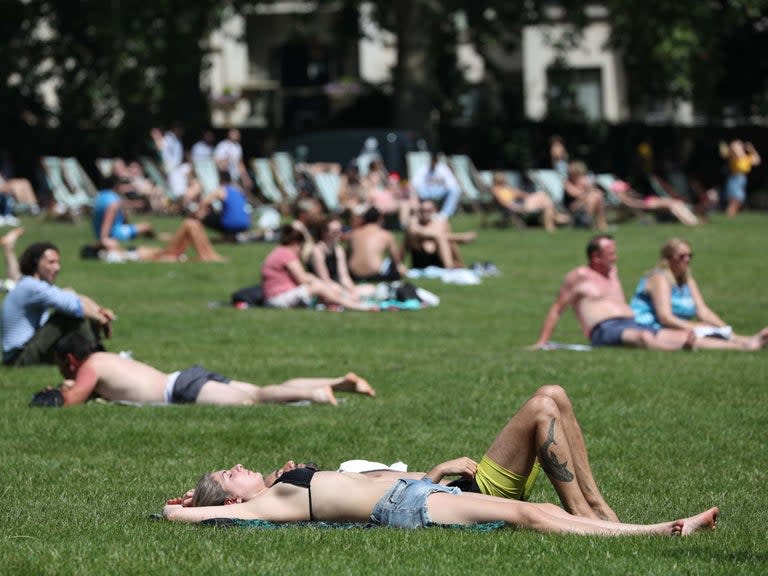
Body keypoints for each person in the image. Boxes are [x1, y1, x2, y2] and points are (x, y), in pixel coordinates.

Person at [163, 387, 719, 535]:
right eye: (226, 474)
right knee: (529, 516)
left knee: (547, 400)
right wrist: (186, 503)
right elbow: (179, 517)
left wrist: (431, 472)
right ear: (232, 500)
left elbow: (375, 482)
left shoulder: (285, 483)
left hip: (434, 490)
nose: (235, 465)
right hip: (415, 509)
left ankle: (599, 511)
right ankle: (656, 533)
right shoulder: (263, 508)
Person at [29, 331, 375, 407]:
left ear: (71, 360)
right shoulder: (106, 359)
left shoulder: (90, 365)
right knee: (258, 390)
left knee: (252, 401)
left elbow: (73, 398)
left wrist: (60, 391)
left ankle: (313, 393)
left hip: (181, 389)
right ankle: (337, 382)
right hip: (186, 380)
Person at [531, 234, 696, 350]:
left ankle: (716, 341)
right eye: (610, 254)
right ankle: (679, 350)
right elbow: (557, 309)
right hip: (605, 329)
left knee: (685, 335)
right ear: (595, 257)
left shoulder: (612, 272)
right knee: (643, 338)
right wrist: (542, 341)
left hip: (633, 324)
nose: (615, 258)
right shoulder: (579, 276)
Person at [630, 238, 768, 351]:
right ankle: (744, 348)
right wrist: (697, 326)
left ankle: (748, 340)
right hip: (648, 327)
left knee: (706, 332)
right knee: (693, 336)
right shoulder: (659, 278)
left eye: (690, 255)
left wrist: (724, 328)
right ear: (668, 259)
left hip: (671, 326)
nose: (687, 259)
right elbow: (665, 317)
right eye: (682, 256)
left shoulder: (686, 279)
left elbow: (702, 311)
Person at [2, 241, 114, 366]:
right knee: (69, 315)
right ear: (36, 263)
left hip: (23, 351)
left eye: (58, 262)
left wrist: (100, 311)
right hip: (18, 358)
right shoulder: (32, 287)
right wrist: (100, 318)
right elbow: (74, 306)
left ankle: (97, 358)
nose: (57, 267)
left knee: (77, 309)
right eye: (51, 262)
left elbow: (72, 296)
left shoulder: (31, 284)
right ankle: (97, 359)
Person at [261, 223, 375, 311]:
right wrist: (315, 280)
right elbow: (302, 279)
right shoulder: (286, 253)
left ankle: (347, 300)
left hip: (276, 297)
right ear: (296, 243)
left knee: (320, 286)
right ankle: (354, 306)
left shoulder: (278, 252)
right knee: (319, 287)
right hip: (279, 298)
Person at [309, 217, 375, 299]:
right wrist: (345, 292)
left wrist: (352, 290)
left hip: (337, 286)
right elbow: (325, 279)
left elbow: (344, 277)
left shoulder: (339, 250)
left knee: (370, 289)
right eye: (335, 232)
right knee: (341, 292)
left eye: (340, 230)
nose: (339, 234)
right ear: (324, 233)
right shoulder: (317, 251)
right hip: (323, 287)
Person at [92, 175, 156, 252]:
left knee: (138, 227)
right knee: (147, 226)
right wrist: (104, 239)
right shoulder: (113, 200)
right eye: (120, 185)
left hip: (99, 232)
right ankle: (157, 237)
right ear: (115, 186)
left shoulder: (100, 196)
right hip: (115, 233)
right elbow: (108, 220)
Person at [404, 200, 476, 269]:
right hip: (420, 256)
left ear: (434, 211)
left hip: (437, 256)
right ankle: (450, 267)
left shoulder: (441, 222)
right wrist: (460, 238)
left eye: (429, 210)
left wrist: (459, 261)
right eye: (422, 210)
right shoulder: (413, 221)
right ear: (419, 211)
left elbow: (452, 244)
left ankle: (452, 266)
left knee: (445, 240)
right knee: (441, 238)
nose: (425, 213)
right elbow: (416, 233)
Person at [490, 172, 570, 232]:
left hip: (523, 203)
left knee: (545, 200)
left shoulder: (506, 188)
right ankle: (554, 219)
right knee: (543, 197)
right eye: (504, 179)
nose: (505, 180)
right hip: (519, 206)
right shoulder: (496, 190)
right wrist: (516, 207)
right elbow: (505, 203)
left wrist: (525, 195)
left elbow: (521, 194)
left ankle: (551, 223)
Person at [601, 178, 700, 226]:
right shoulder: (622, 196)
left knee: (675, 204)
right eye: (625, 188)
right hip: (647, 204)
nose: (628, 189)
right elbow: (631, 204)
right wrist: (643, 205)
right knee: (674, 204)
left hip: (648, 201)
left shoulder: (624, 196)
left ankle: (691, 220)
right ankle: (691, 221)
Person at [347, 207, 407, 282]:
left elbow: (348, 255)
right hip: (374, 274)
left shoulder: (354, 233)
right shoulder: (386, 234)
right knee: (397, 267)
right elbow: (396, 259)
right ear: (380, 219)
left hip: (354, 274)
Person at [192, 170, 252, 242]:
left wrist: (199, 212)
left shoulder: (222, 189)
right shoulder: (238, 190)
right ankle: (230, 236)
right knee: (224, 215)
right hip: (245, 224)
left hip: (230, 224)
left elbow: (204, 202)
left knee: (200, 215)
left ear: (221, 179)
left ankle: (198, 239)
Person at [410, 153, 462, 219]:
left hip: (440, 191)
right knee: (416, 192)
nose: (433, 163)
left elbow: (452, 183)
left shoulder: (443, 168)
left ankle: (444, 215)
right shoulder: (423, 169)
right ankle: (420, 213)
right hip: (425, 191)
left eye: (434, 161)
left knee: (455, 190)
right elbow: (415, 183)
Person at [721, 139, 761, 217]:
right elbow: (734, 152)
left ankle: (731, 215)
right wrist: (736, 146)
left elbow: (758, 160)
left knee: (739, 199)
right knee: (735, 199)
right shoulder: (735, 156)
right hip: (735, 178)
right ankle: (729, 215)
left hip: (742, 179)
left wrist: (751, 149)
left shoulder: (745, 158)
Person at [563, 161, 607, 230]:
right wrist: (588, 190)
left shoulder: (583, 180)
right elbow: (577, 195)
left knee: (597, 195)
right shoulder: (567, 183)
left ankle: (595, 223)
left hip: (584, 202)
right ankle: (595, 223)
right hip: (573, 206)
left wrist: (588, 188)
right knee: (595, 196)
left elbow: (592, 191)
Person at [214, 128, 253, 192]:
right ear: (229, 134)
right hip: (224, 178)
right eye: (234, 134)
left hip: (236, 176)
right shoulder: (223, 145)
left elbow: (240, 163)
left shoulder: (238, 146)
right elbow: (217, 161)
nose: (236, 135)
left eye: (237, 134)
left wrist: (245, 177)